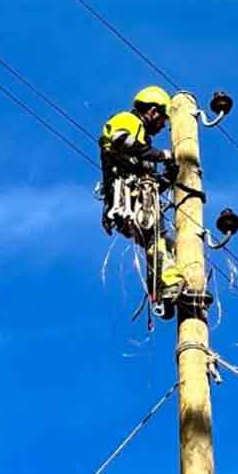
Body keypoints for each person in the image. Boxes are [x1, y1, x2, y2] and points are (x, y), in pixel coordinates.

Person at [99, 86, 184, 318]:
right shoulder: (127, 119)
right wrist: (163, 155)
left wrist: (167, 177)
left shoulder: (143, 143)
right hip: (128, 200)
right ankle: (166, 284)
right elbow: (120, 140)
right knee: (155, 240)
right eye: (163, 119)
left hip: (138, 201)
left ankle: (163, 289)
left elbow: (150, 183)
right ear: (154, 111)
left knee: (161, 244)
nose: (162, 126)